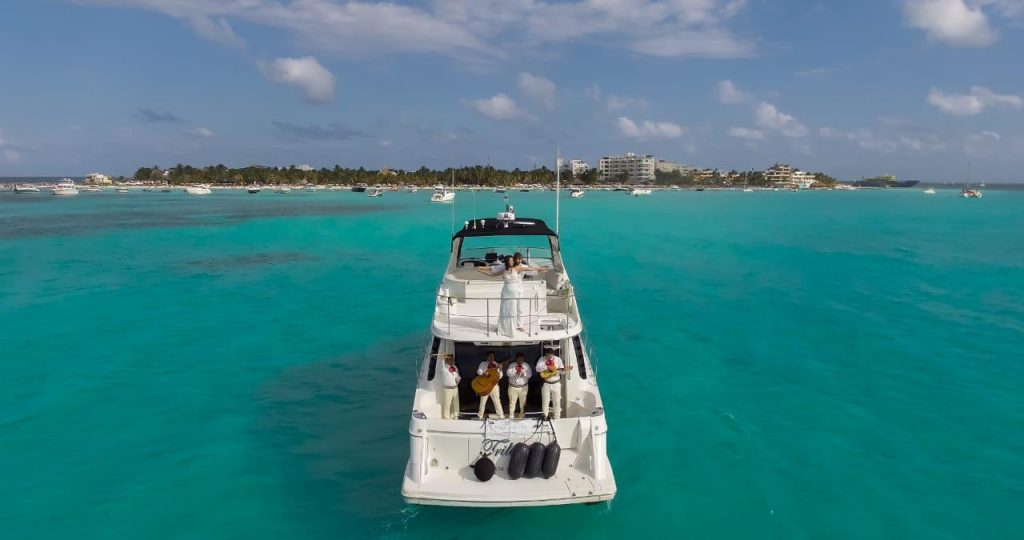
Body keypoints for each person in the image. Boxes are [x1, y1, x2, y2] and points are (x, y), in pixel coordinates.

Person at [477, 254, 547, 337]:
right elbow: (492, 273)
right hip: (506, 292)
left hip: (516, 292)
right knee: (504, 310)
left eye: (513, 260)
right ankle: (503, 327)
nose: (512, 261)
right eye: (511, 260)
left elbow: (529, 269)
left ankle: (514, 327)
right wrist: (481, 270)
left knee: (513, 310)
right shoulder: (503, 269)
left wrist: (540, 269)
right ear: (507, 262)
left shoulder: (517, 268)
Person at [536, 347, 573, 420]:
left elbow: (562, 371)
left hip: (556, 383)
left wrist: (563, 370)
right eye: (547, 356)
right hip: (546, 383)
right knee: (545, 402)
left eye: (550, 356)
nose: (548, 357)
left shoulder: (558, 359)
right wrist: (547, 368)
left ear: (553, 355)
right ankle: (544, 417)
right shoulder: (542, 359)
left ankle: (557, 418)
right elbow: (537, 369)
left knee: (556, 402)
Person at [476, 351, 505, 419]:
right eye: (490, 356)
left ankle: (501, 416)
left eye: (493, 356)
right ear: (487, 357)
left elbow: (500, 376)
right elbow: (478, 371)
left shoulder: (497, 364)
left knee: (497, 401)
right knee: (483, 401)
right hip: (485, 385)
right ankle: (480, 416)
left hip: (494, 385)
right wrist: (484, 373)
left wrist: (500, 370)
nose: (491, 357)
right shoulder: (483, 363)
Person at [505, 352, 532, 419]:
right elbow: (508, 374)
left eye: (521, 359)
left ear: (523, 359)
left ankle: (521, 416)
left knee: (522, 403)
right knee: (512, 402)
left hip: (523, 387)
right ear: (516, 359)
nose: (520, 361)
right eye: (518, 359)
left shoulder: (526, 365)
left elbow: (530, 375)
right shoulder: (512, 365)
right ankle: (511, 416)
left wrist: (524, 374)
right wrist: (515, 372)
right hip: (513, 387)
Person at [440, 354, 461, 419]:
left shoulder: (455, 367)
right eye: (451, 359)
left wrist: (458, 379)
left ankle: (455, 416)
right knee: (447, 404)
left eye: (453, 359)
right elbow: (442, 364)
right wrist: (443, 358)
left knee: (456, 403)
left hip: (455, 388)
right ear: (447, 360)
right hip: (448, 389)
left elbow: (458, 376)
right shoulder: (444, 368)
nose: (453, 360)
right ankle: (446, 417)